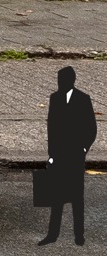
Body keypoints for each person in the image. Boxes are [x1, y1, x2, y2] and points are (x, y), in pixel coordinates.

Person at [44, 65, 97, 245]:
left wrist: (83, 149)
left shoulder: (83, 99)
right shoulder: (55, 98)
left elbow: (91, 127)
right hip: (59, 155)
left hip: (74, 155)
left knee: (77, 198)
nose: (60, 84)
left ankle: (79, 235)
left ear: (70, 81)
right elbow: (51, 128)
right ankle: (52, 235)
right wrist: (51, 154)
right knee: (56, 197)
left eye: (63, 80)